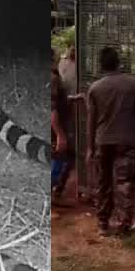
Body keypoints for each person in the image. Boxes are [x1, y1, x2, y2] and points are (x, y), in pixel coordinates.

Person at [85, 46, 135, 237]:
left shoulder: (95, 88)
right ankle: (124, 224)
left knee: (103, 183)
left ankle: (103, 224)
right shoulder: (134, 84)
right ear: (118, 63)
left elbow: (91, 121)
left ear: (101, 65)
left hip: (102, 140)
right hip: (127, 140)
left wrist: (89, 147)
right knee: (125, 183)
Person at [50, 60, 74, 202]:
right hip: (56, 126)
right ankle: (53, 190)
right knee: (62, 156)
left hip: (56, 125)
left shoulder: (54, 77)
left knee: (61, 156)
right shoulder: (53, 78)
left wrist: (71, 99)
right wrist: (60, 135)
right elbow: (52, 109)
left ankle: (55, 191)